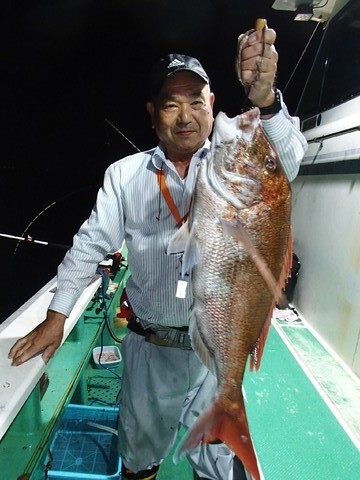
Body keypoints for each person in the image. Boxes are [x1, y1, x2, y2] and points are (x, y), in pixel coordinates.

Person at [9, 24, 307, 480]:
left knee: (217, 462)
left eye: (195, 100)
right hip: (151, 347)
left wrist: (266, 100)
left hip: (214, 352)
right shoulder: (125, 175)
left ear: (211, 105)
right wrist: (57, 315)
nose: (184, 115)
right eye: (171, 103)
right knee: (139, 451)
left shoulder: (233, 160)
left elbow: (286, 157)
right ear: (153, 113)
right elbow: (90, 243)